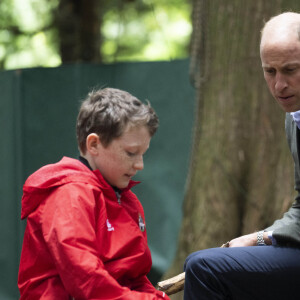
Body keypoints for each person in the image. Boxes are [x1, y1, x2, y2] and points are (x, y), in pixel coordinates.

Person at [184, 12, 300, 300]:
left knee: (204, 269)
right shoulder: (294, 117)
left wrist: (262, 239)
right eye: (269, 71)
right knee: (203, 264)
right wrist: (260, 237)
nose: (279, 85)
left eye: (291, 69)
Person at [18, 87, 169, 300]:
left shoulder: (127, 201)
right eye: (131, 153)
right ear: (94, 144)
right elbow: (85, 279)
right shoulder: (69, 196)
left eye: (143, 154)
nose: (140, 164)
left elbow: (135, 277)